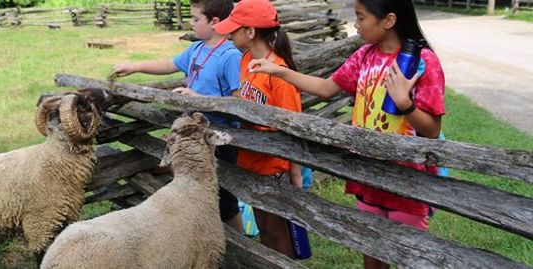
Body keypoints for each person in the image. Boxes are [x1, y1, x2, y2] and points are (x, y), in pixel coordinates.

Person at [247, 0, 445, 268]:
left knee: (411, 257)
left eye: (361, 17)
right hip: (366, 176)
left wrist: (404, 104)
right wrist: (280, 71)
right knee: (372, 256)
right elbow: (327, 88)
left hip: (407, 182)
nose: (356, 24)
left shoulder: (423, 62)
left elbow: (431, 131)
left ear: (388, 20)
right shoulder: (364, 56)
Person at [112, 0, 244, 232]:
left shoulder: (229, 55)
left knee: (224, 199)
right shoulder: (197, 49)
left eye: (195, 19)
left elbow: (239, 102)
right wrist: (134, 67)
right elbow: (168, 64)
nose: (190, 23)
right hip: (191, 136)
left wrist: (198, 98)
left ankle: (240, 247)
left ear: (214, 22)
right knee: (191, 192)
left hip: (218, 140)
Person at [213, 0, 304, 258]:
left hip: (274, 167)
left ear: (250, 32)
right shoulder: (244, 60)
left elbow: (293, 127)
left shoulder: (280, 74)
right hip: (251, 162)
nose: (230, 34)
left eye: (235, 29)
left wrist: (295, 174)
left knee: (277, 230)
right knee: (264, 228)